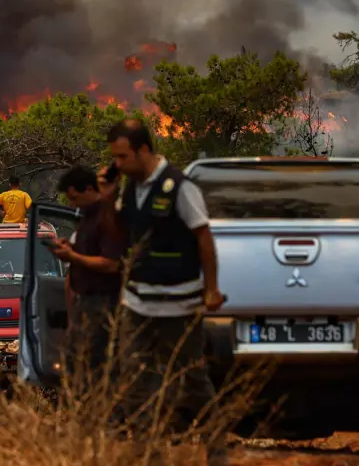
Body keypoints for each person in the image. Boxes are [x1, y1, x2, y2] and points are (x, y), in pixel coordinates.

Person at [100, 118, 229, 465]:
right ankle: (151, 454)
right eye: (114, 158)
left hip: (179, 304)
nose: (118, 164)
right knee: (134, 376)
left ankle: (217, 453)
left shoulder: (179, 186)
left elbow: (203, 237)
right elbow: (118, 233)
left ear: (144, 150)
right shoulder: (130, 187)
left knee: (192, 381)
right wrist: (107, 199)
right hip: (138, 302)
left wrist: (212, 289)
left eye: (123, 157)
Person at [46, 166, 127, 382]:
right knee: (77, 365)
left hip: (104, 305)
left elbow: (110, 264)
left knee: (98, 367)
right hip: (85, 306)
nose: (72, 204)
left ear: (90, 189)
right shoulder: (86, 221)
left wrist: (72, 257)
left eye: (75, 197)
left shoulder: (107, 218)